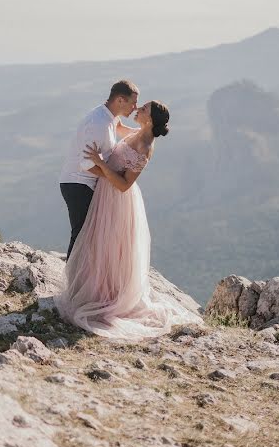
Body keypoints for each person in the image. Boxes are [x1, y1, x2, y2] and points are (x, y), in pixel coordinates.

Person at [55, 100, 200, 339]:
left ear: (150, 119)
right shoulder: (137, 132)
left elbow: (123, 184)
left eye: (143, 109)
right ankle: (97, 289)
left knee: (110, 245)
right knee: (101, 244)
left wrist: (99, 163)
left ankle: (107, 296)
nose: (138, 110)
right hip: (105, 192)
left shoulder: (145, 146)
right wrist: (111, 112)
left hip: (116, 199)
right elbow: (117, 127)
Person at [58, 80, 138, 258]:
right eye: (133, 103)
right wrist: (115, 178)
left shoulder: (109, 115)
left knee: (91, 235)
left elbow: (121, 128)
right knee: (82, 235)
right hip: (78, 184)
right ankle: (72, 281)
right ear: (120, 100)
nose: (135, 108)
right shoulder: (98, 124)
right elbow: (86, 164)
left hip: (86, 184)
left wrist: (146, 133)